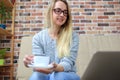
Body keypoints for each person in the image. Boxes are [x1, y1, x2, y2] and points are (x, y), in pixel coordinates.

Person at [23, 0, 80, 80]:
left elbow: (68, 63)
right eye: (58, 11)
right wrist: (29, 63)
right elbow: (40, 65)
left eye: (65, 12)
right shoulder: (38, 38)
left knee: (58, 76)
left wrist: (56, 67)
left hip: (67, 74)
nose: (62, 15)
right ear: (50, 12)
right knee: (36, 76)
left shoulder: (73, 36)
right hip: (45, 74)